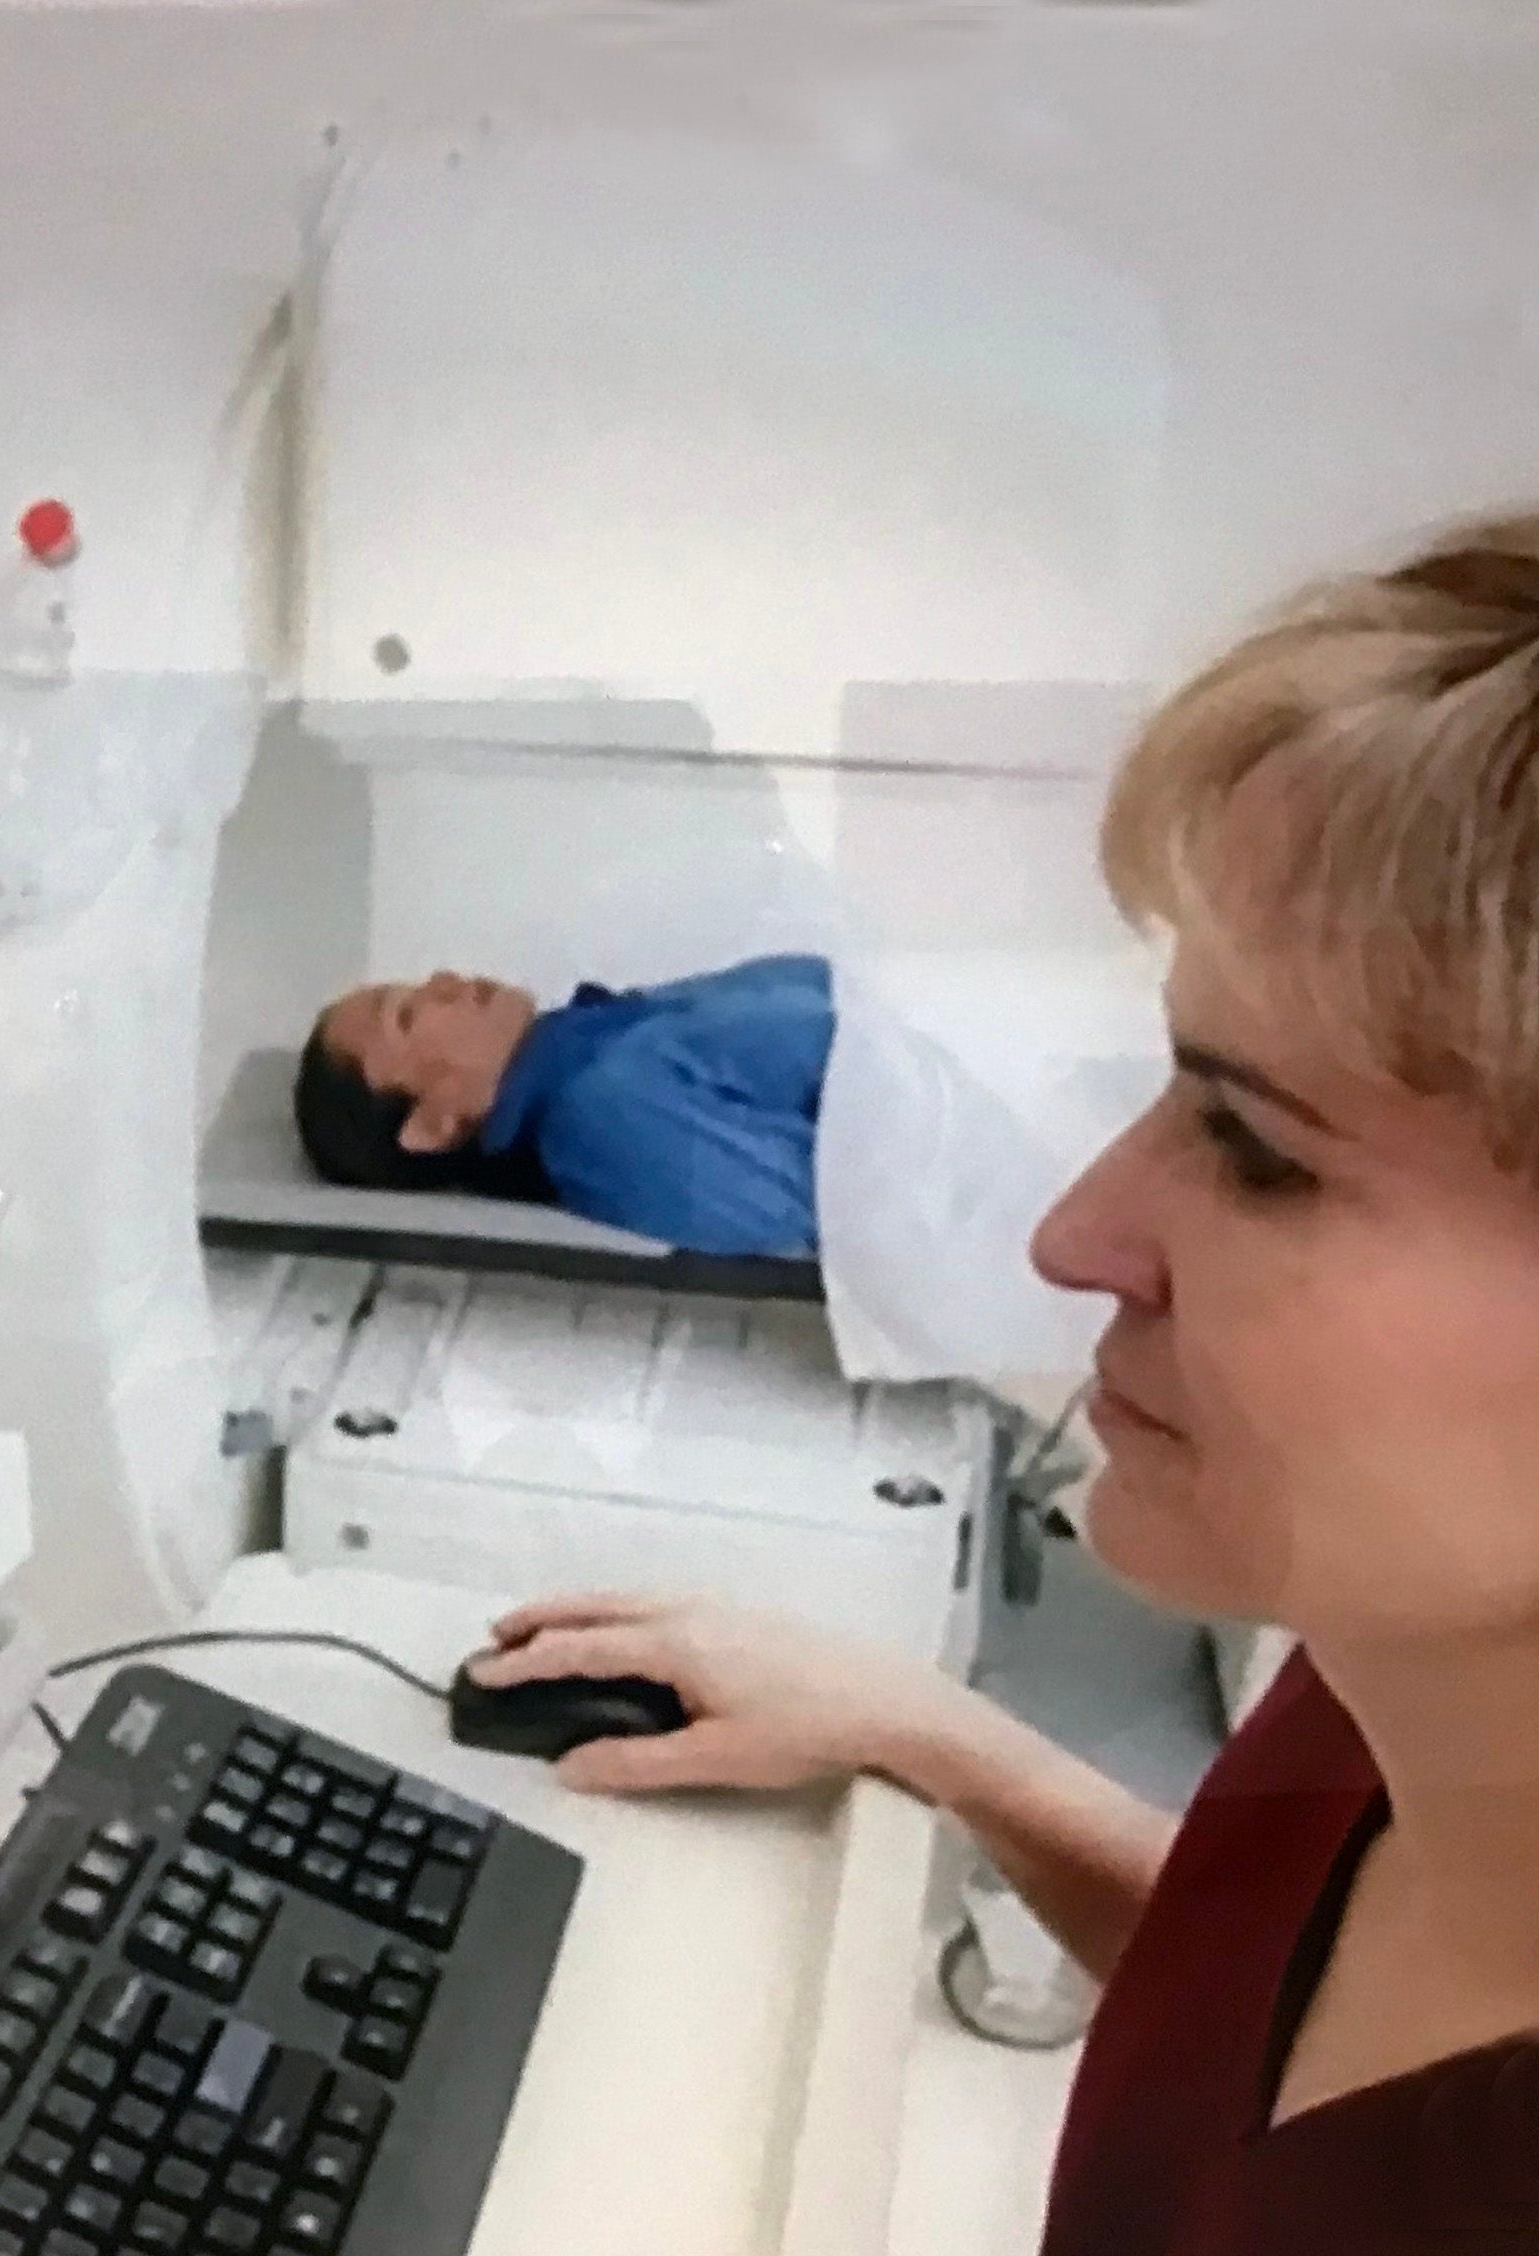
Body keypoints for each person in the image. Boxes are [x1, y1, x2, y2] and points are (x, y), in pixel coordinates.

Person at [468, 513, 1539, 2250]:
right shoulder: (1382, 1673)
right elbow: (1263, 2021)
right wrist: (927, 1731)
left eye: (1253, 1149)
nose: (1072, 1232)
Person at [294, 955, 833, 1258]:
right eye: (410, 1014)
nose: (444, 979)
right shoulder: (601, 1119)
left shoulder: (603, 1032)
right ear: (434, 1125)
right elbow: (838, 1208)